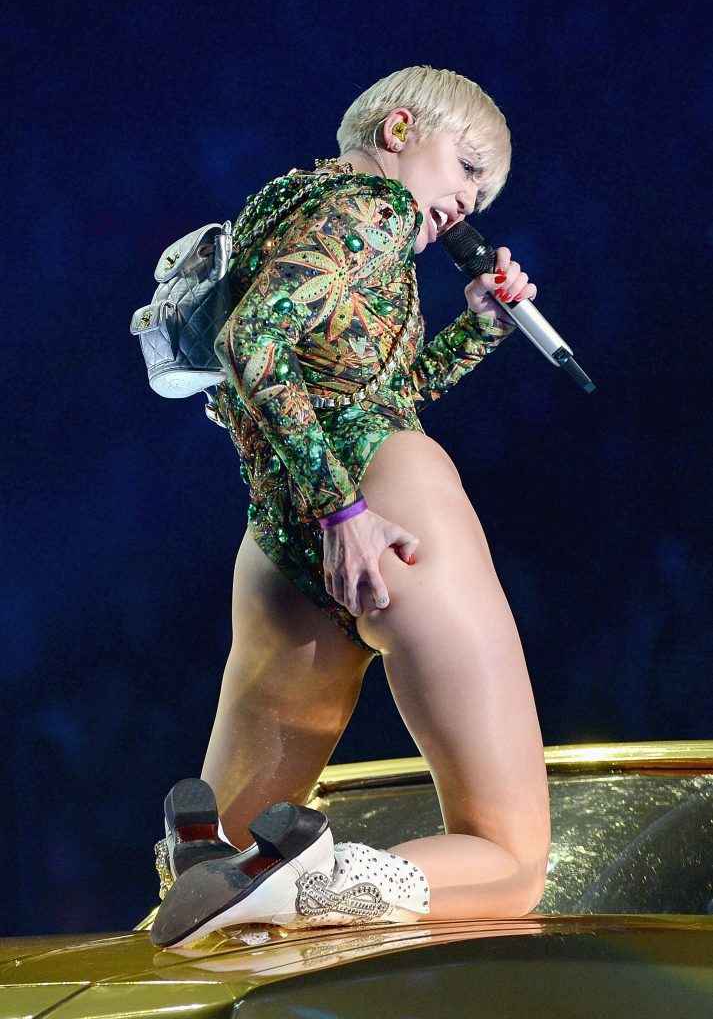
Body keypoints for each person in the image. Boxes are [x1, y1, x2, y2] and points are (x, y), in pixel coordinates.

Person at [150, 65, 551, 947]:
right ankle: (312, 877)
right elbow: (252, 341)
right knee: (510, 860)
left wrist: (479, 325)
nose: (469, 201)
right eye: (467, 167)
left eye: (484, 193)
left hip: (278, 541)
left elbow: (368, 388)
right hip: (379, 507)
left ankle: (223, 857)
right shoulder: (378, 208)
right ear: (399, 130)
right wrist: (345, 512)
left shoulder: (285, 208)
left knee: (219, 901)